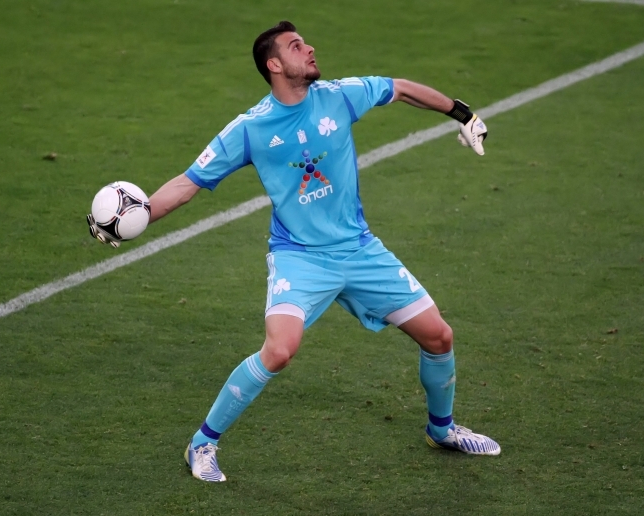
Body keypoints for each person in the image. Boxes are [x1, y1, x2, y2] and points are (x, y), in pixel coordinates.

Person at [88, 20, 496, 483]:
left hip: (360, 249)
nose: (311, 48)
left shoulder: (339, 96)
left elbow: (399, 88)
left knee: (439, 337)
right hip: (300, 258)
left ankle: (442, 430)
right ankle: (202, 444)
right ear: (275, 65)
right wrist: (134, 219)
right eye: (297, 46)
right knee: (280, 350)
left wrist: (462, 113)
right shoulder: (250, 128)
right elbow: (187, 184)